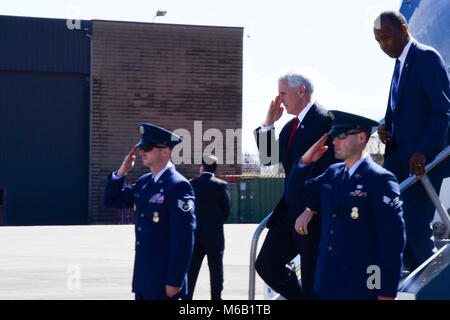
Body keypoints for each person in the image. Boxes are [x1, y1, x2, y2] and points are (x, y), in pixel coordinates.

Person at [293, 110, 406, 300]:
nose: (334, 141)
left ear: (361, 137)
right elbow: (296, 195)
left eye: (341, 136)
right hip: (327, 285)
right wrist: (304, 162)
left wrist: (386, 293)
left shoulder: (380, 180)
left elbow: (391, 243)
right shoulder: (332, 174)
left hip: (360, 289)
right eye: (334, 136)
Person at [374, 11, 450, 271]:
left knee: (416, 227)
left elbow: (443, 111)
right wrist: (388, 129)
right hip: (398, 162)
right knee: (397, 228)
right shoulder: (399, 66)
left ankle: (432, 288)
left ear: (404, 30)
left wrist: (424, 152)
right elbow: (399, 113)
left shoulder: (426, 58)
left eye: (387, 38)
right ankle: (413, 288)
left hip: (421, 165)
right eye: (379, 41)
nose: (384, 46)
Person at [253, 72, 336, 299]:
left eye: (283, 94)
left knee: (311, 283)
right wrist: (269, 123)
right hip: (288, 214)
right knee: (266, 265)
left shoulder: (326, 122)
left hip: (312, 218)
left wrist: (311, 208)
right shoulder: (290, 127)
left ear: (301, 91)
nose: (280, 100)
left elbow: (331, 172)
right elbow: (268, 160)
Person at [102, 123, 196, 300]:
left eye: (147, 147)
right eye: (141, 148)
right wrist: (121, 172)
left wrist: (175, 281)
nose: (141, 152)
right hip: (144, 279)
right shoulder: (145, 182)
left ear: (165, 152)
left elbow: (184, 238)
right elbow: (111, 200)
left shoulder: (178, 185)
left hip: (165, 282)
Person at [185, 155, 231, 300]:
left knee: (191, 269)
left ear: (202, 167)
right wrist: (216, 222)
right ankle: (216, 298)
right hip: (214, 235)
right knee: (216, 269)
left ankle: (187, 298)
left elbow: (187, 209)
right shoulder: (221, 185)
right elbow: (226, 211)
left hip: (196, 234)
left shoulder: (192, 184)